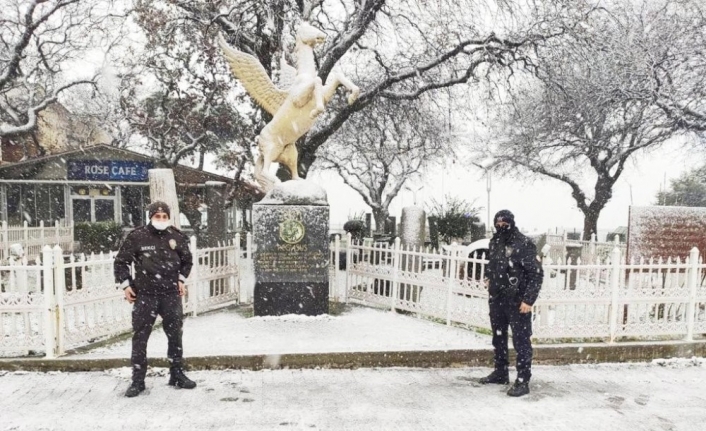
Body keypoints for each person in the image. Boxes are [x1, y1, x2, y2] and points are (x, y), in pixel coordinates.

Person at [114, 201, 196, 398]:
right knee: (140, 338)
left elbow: (187, 260)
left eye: (164, 217)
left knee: (175, 335)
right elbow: (121, 262)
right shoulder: (137, 237)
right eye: (157, 216)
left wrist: (181, 279)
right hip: (145, 295)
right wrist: (126, 285)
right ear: (150, 217)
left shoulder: (176, 236)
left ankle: (176, 374)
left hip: (170, 295)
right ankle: (138, 380)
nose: (161, 220)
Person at [479, 209, 543, 397]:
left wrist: (528, 300)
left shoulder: (523, 243)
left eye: (504, 224)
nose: (501, 227)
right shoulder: (495, 242)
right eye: (498, 224)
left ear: (511, 223)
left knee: (521, 341)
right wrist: (489, 277)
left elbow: (536, 274)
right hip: (498, 298)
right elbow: (493, 264)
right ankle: (500, 372)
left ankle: (523, 381)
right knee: (498, 337)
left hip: (517, 301)